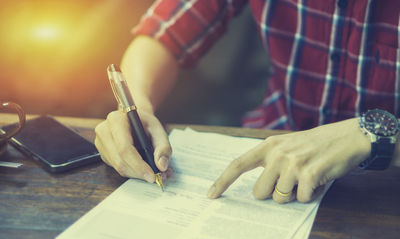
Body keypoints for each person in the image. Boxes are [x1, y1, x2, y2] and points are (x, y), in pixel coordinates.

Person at [94, 0, 400, 204]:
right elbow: (162, 34)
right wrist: (138, 110)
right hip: (269, 143)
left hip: (386, 180)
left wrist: (374, 135)